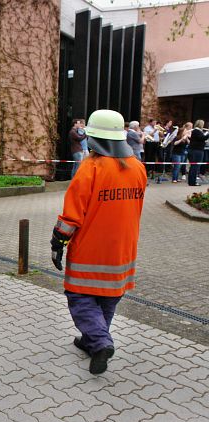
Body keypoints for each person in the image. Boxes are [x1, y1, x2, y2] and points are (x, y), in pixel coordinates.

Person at [50, 109, 147, 375]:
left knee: (79, 297)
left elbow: (72, 215)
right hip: (123, 250)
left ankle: (101, 342)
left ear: (94, 138)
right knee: (108, 298)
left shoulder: (90, 167)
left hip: (90, 250)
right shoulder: (138, 168)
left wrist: (58, 241)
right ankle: (92, 341)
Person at [188, 120, 208, 186]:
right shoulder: (197, 131)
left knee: (193, 166)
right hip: (196, 151)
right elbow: (202, 138)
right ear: (200, 125)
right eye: (203, 124)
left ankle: (191, 181)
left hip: (195, 150)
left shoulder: (196, 131)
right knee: (195, 166)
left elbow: (199, 139)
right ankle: (193, 182)